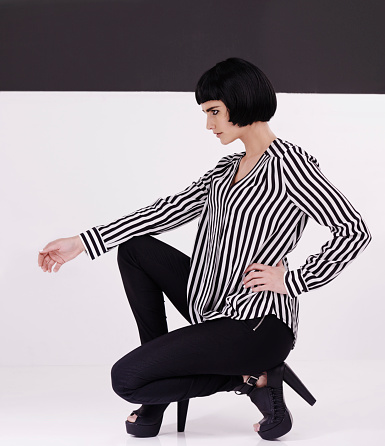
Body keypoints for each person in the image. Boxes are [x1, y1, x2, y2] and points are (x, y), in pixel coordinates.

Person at [37, 57, 371, 440]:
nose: (209, 125)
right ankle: (182, 381)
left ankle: (249, 379)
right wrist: (81, 242)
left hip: (258, 323)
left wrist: (293, 280)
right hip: (213, 305)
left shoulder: (290, 165)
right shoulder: (227, 170)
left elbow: (353, 229)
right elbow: (168, 210)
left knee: (126, 380)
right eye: (206, 113)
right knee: (134, 250)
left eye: (214, 112)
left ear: (242, 101)